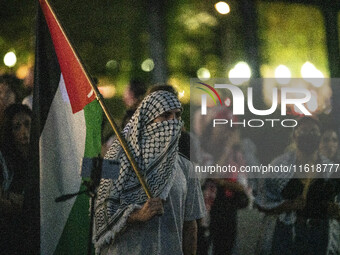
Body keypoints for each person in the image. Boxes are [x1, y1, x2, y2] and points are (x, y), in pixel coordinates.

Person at [93, 90, 206, 255]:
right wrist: (137, 215)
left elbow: (190, 226)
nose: (173, 122)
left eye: (177, 115)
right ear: (147, 120)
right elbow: (100, 212)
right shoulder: (116, 158)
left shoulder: (186, 167)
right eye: (166, 115)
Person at [255, 117, 338, 255]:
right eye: (304, 131)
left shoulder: (331, 170)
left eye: (314, 131)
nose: (309, 135)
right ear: (295, 136)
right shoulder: (279, 166)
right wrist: (288, 205)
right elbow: (261, 201)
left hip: (319, 236)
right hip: (286, 235)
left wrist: (335, 211)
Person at [0, 104, 32, 254]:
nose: (24, 132)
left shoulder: (42, 158)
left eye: (27, 124)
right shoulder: (5, 161)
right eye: (17, 127)